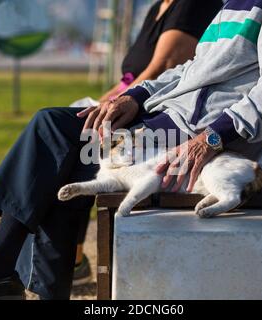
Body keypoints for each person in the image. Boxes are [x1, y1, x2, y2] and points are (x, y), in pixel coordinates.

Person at [0, 0, 262, 300]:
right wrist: (137, 96)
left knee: (57, 134)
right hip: (171, 120)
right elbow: (192, 70)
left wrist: (214, 137)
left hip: (199, 138)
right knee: (66, 137)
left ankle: (1, 272)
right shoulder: (234, 2)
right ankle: (10, 275)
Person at [71, 0, 223, 286]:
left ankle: (68, 260)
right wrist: (102, 102)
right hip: (139, 102)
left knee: (74, 140)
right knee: (66, 123)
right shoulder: (158, 8)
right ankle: (64, 259)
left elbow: (164, 67)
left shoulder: (192, 6)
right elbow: (135, 76)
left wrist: (114, 104)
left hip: (159, 110)